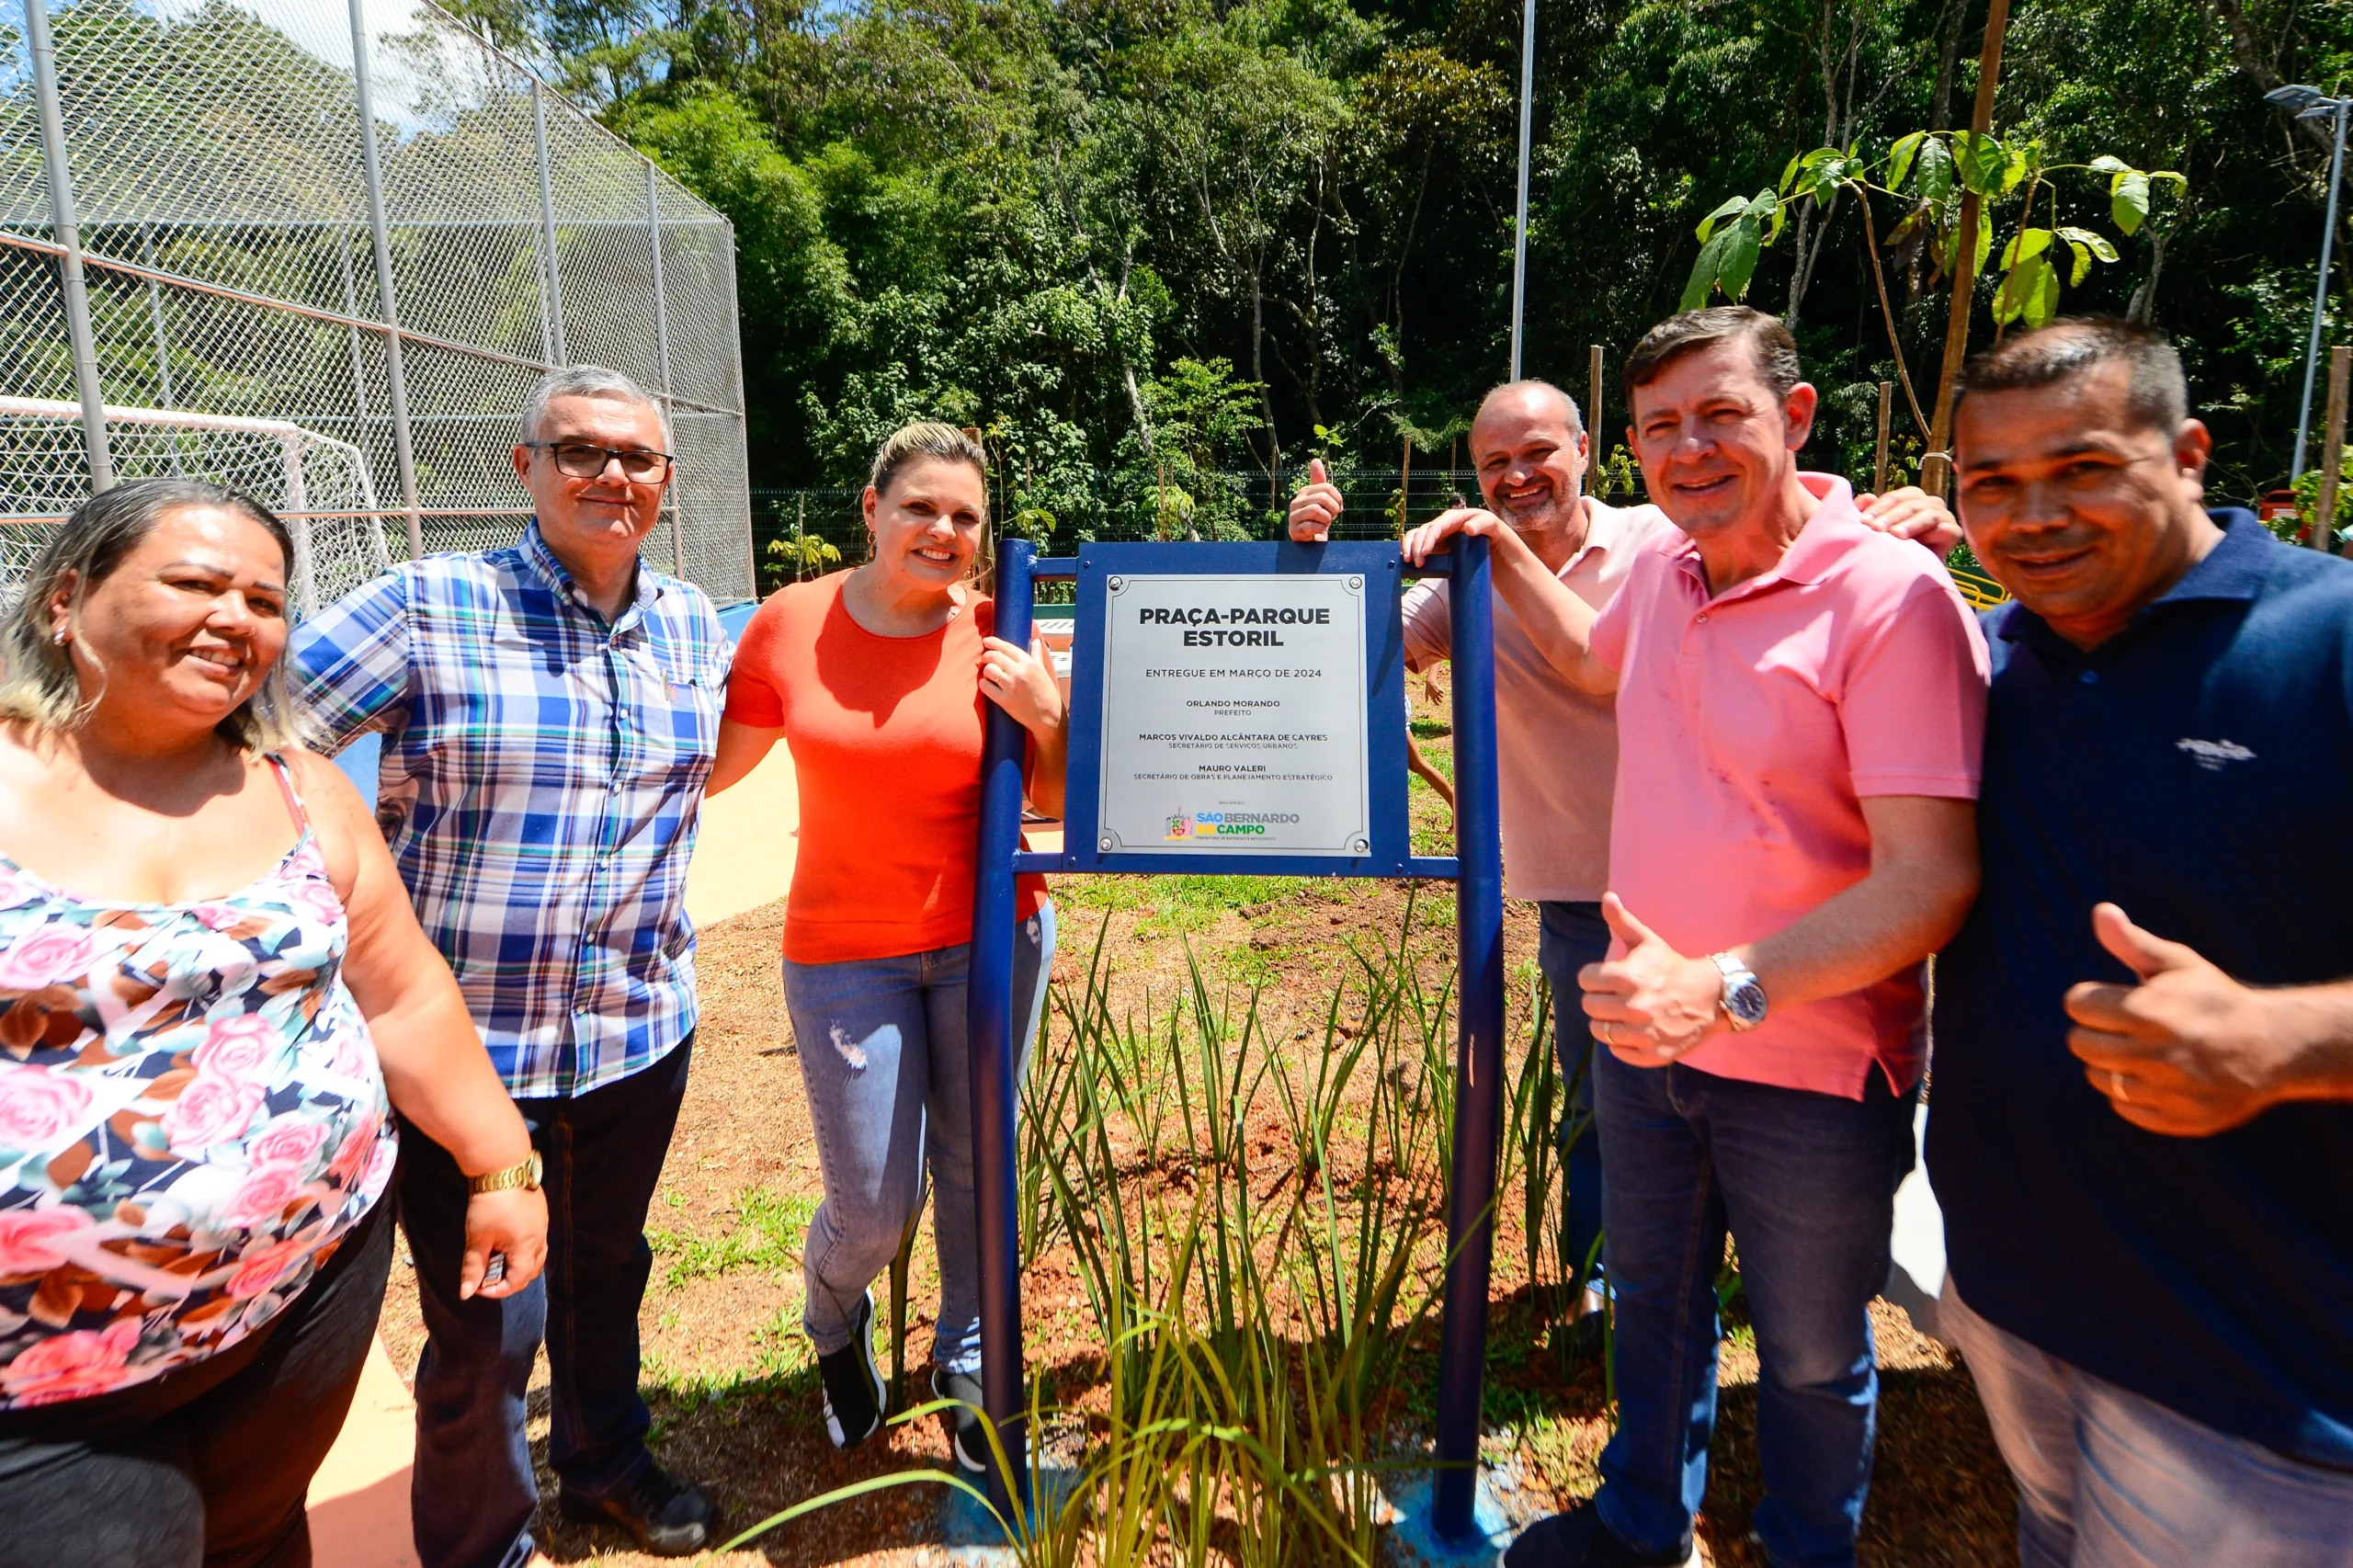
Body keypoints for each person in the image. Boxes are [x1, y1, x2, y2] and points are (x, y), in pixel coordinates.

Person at [1417, 308, 1988, 1568]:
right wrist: (1503, 550)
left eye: (1719, 415)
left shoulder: (1891, 597)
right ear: (1633, 444)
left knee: (1807, 1349)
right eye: (1663, 425)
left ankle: (1801, 1546)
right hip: (1646, 1034)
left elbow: (1931, 881)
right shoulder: (1670, 577)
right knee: (1658, 1313)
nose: (1689, 447)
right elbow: (1591, 666)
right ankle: (1637, 1519)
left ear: (1794, 417)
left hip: (1812, 1065)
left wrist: (1725, 988)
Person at [1287, 385, 1957, 1357]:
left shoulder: (1661, 544)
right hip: (1584, 887)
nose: (1517, 477)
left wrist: (1909, 521)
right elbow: (1347, 654)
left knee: (1764, 1083)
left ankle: (1769, 1282)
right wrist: (1310, 562)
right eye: (1493, 465)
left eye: (1537, 453)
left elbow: (1795, 552)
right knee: (1605, 1092)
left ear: (1587, 449)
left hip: (1744, 888)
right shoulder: (1465, 576)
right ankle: (1613, 1279)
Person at [0, 479, 545, 1568]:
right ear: (68, 597)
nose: (234, 617)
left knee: (259, 1539)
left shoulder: (296, 787)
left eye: (262, 598)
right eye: (196, 583)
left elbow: (401, 990)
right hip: (44, 1375)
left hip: (299, 1297)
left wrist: (499, 1164)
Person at [1927, 318, 2353, 1566]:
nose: (2034, 515)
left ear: (2190, 455)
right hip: (2014, 1299)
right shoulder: (1995, 660)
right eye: (1991, 484)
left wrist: (2290, 1034)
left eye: (2084, 468)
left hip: (2247, 1369)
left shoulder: (2325, 648)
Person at [290, 367, 727, 1562]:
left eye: (636, 457)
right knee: (489, 1322)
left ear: (665, 484)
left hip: (638, 1032)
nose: (611, 474)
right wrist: (344, 873)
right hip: (467, 1048)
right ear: (523, 466)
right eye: (579, 449)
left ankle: (604, 1462)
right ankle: (484, 1543)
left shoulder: (691, 623)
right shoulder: (430, 606)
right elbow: (264, 733)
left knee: (606, 1264)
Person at [709, 422, 1063, 1473]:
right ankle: (834, 1318)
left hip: (993, 934)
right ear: (871, 509)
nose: (943, 530)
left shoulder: (1002, 629)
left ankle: (964, 1355)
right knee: (872, 1202)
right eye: (920, 507)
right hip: (843, 948)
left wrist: (1046, 716)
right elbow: (712, 769)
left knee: (974, 1163)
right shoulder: (789, 624)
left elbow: (1048, 801)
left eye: (964, 515)